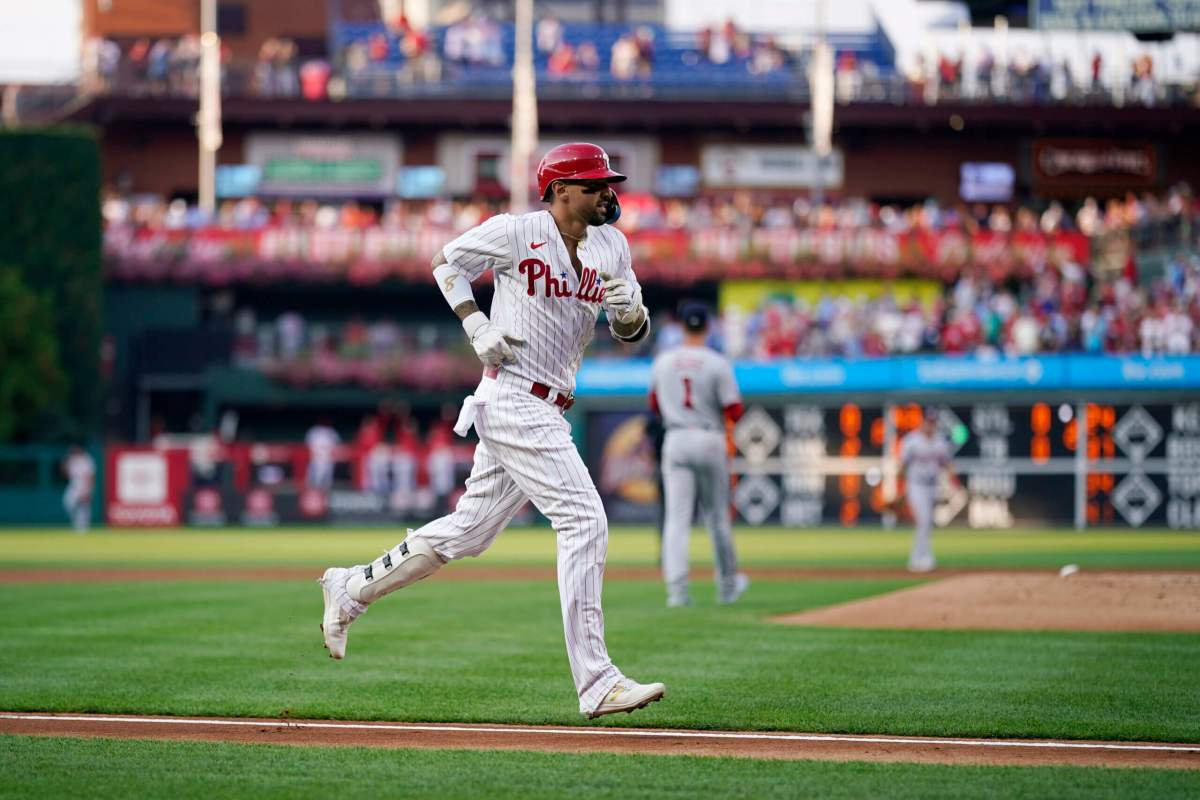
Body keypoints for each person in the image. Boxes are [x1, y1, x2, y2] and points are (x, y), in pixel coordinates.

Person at [318, 143, 664, 720]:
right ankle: (598, 681)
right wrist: (474, 322)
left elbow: (633, 332)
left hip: (549, 405)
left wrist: (632, 317)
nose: (610, 192)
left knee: (468, 533)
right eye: (596, 183)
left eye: (609, 182)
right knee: (584, 518)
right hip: (511, 395)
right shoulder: (515, 232)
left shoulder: (613, 245)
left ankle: (351, 588)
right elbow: (444, 261)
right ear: (560, 191)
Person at [649, 302, 747, 607]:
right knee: (717, 517)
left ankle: (677, 592)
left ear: (680, 326)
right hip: (708, 436)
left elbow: (654, 404)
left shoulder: (663, 361)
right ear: (707, 326)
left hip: (675, 437)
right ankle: (727, 586)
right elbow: (735, 411)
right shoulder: (717, 362)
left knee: (676, 520)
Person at [898, 408, 958, 572]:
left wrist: (954, 481)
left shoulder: (940, 441)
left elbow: (946, 463)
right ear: (922, 421)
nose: (931, 425)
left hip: (932, 485)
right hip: (915, 485)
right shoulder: (911, 441)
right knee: (923, 521)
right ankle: (921, 558)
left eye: (933, 422)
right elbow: (902, 465)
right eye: (928, 421)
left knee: (927, 523)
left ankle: (920, 557)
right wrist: (900, 489)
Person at [62, 446, 96, 533]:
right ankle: (77, 524)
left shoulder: (87, 459)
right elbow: (66, 473)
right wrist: (66, 462)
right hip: (74, 485)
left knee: (84, 507)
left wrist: (88, 490)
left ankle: (83, 528)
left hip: (84, 485)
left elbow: (90, 476)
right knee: (68, 503)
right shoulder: (72, 459)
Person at [305, 419, 340, 491]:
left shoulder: (331, 431)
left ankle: (324, 493)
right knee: (315, 476)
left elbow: (337, 444)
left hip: (328, 457)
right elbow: (308, 444)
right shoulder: (314, 431)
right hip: (316, 457)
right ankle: (313, 491)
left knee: (327, 479)